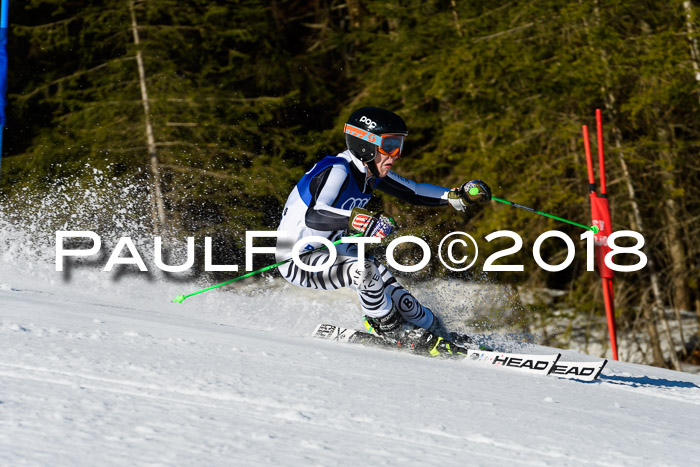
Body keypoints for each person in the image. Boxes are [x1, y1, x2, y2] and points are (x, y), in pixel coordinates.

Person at [275, 107, 491, 356]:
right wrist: (361, 221)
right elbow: (315, 214)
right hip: (299, 259)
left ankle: (438, 333)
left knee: (406, 303)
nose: (396, 155)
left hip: (334, 250)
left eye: (400, 145)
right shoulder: (338, 168)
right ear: (365, 145)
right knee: (364, 272)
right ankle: (389, 329)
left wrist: (456, 195)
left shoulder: (369, 172)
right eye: (390, 146)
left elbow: (414, 191)